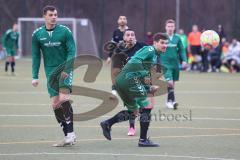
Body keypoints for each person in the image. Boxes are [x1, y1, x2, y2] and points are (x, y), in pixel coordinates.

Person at [100, 32, 168, 147]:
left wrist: (148, 87)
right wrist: (146, 84)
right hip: (129, 80)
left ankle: (107, 123)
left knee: (134, 112)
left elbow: (145, 74)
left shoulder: (154, 56)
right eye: (162, 43)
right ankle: (143, 140)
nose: (164, 45)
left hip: (122, 81)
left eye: (166, 43)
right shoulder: (150, 50)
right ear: (155, 43)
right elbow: (135, 62)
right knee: (147, 106)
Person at [31, 5, 76, 147]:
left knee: (63, 99)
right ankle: (67, 135)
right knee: (55, 104)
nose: (54, 17)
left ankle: (71, 134)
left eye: (55, 14)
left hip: (64, 69)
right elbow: (36, 56)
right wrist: (35, 76)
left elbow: (72, 51)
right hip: (50, 72)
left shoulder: (65, 31)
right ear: (44, 16)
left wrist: (67, 69)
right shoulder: (37, 34)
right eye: (50, 15)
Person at [111, 28, 150, 136]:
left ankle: (143, 128)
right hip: (127, 81)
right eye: (128, 35)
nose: (130, 37)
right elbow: (116, 71)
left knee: (144, 105)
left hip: (142, 79)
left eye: (132, 35)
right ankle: (132, 126)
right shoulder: (120, 50)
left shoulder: (142, 46)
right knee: (132, 106)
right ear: (123, 38)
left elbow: (152, 55)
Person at [160, 19, 187, 109]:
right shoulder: (162, 38)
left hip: (175, 64)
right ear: (165, 27)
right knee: (170, 82)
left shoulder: (177, 38)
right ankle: (172, 101)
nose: (170, 28)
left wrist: (184, 60)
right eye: (168, 26)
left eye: (172, 26)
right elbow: (156, 49)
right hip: (165, 64)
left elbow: (182, 50)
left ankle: (170, 101)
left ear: (174, 28)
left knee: (172, 84)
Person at [106, 15, 128, 98]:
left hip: (127, 56)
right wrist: (109, 56)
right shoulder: (115, 32)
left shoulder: (129, 31)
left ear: (126, 21)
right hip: (118, 57)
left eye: (124, 19)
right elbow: (112, 45)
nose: (122, 20)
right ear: (118, 21)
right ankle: (114, 93)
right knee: (115, 74)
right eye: (120, 19)